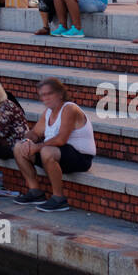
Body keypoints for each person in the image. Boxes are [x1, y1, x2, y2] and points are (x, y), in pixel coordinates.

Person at [12, 78, 95, 212]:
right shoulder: (48, 112)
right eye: (42, 95)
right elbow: (34, 133)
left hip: (80, 158)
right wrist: (26, 142)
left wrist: (36, 147)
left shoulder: (70, 108)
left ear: (60, 94)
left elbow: (61, 139)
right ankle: (35, 192)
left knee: (47, 151)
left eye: (49, 94)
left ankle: (59, 198)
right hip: (58, 154)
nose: (45, 98)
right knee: (18, 148)